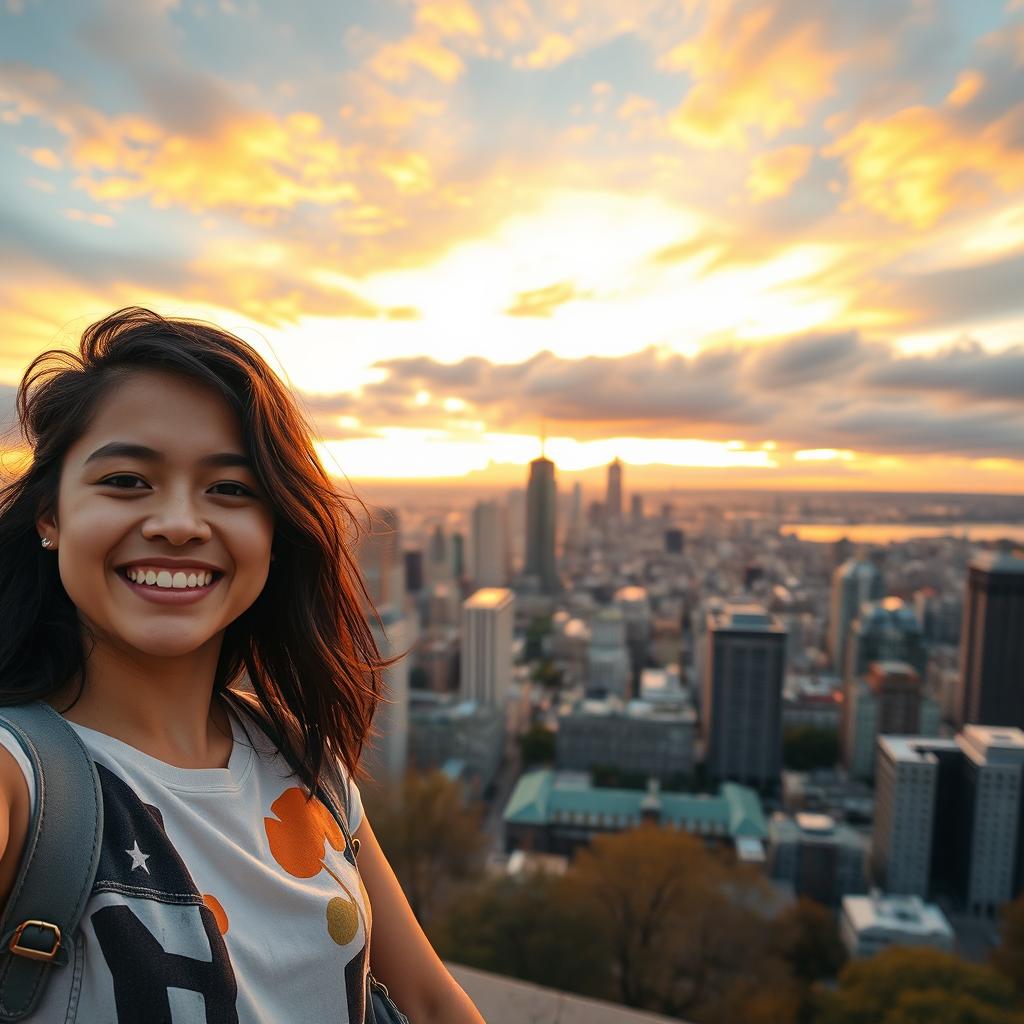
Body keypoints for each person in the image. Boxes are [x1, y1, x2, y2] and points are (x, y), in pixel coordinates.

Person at [0, 308, 486, 1023]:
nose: (178, 523)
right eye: (128, 481)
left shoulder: (300, 762)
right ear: (51, 515)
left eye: (229, 489)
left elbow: (430, 1003)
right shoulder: (23, 784)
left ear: (272, 531)